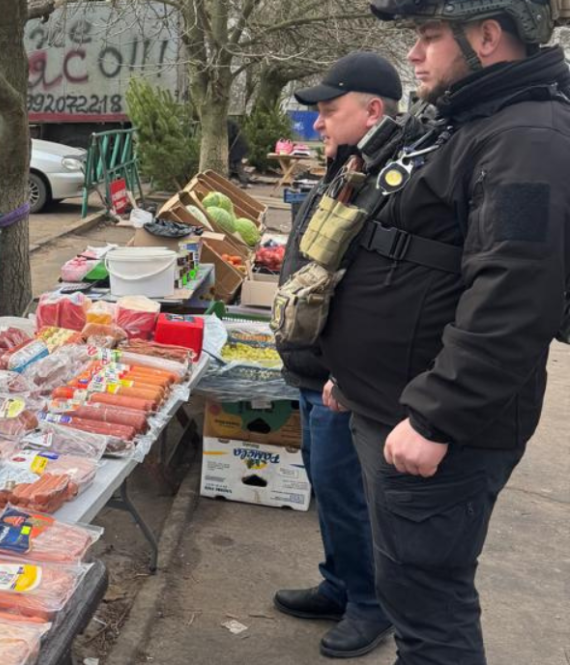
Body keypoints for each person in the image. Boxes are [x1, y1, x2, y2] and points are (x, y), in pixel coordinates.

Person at [320, 3, 570, 663]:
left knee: (431, 615)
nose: (416, 54)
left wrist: (437, 416)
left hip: (441, 430)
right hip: (394, 405)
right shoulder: (467, 120)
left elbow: (513, 295)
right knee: (409, 597)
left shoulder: (529, 139)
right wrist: (356, 376)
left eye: (430, 37)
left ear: (487, 36)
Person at [274, 52, 401, 659]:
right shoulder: (349, 165)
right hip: (311, 365)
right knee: (327, 485)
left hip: (336, 375)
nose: (318, 123)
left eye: (330, 111)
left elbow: (374, 287)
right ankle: (339, 583)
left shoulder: (386, 175)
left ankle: (371, 605)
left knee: (347, 491)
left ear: (373, 110)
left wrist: (343, 370)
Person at [227, 119, 249, 185]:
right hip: (240, 146)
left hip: (237, 147)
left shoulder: (228, 123)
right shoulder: (231, 123)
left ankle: (244, 181)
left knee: (237, 164)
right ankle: (243, 180)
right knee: (235, 163)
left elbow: (229, 136)